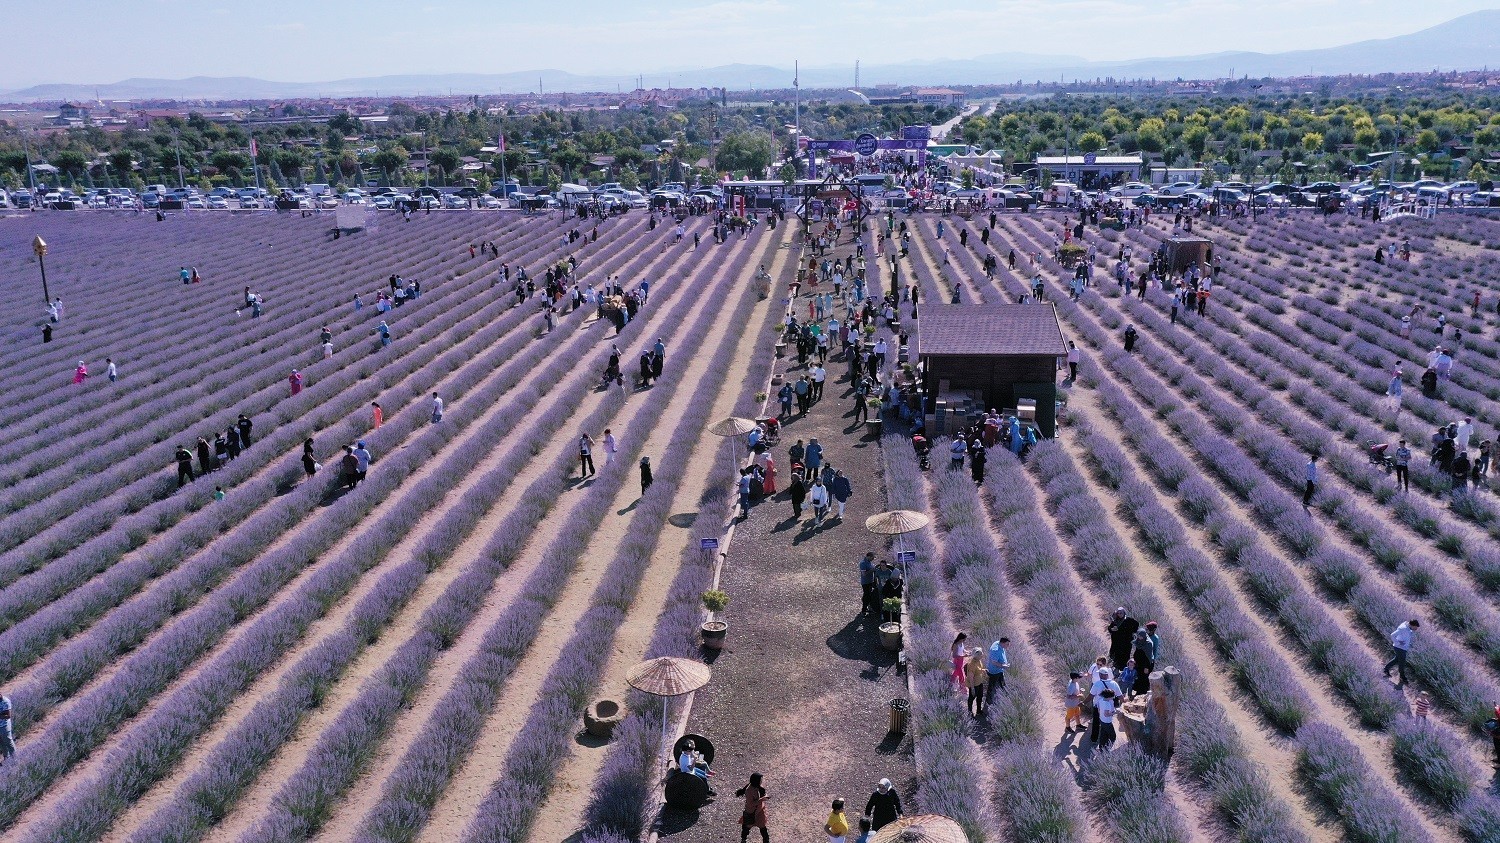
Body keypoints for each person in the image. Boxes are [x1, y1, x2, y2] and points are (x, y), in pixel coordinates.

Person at [1383, 618, 1419, 684]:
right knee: (1402, 663)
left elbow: (1407, 633)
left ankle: (1385, 669)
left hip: (1403, 648)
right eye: (1415, 627)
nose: (1416, 629)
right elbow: (1392, 635)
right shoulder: (1403, 628)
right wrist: (1398, 643)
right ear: (1412, 625)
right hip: (1399, 648)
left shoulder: (1408, 627)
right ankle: (1402, 677)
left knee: (1396, 659)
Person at [736, 773, 770, 843]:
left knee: (763, 828)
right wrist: (762, 799)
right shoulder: (749, 791)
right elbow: (751, 804)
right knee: (747, 827)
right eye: (760, 780)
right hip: (751, 812)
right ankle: (743, 840)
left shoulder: (757, 786)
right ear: (756, 781)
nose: (762, 781)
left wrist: (764, 796)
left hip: (760, 811)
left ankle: (766, 841)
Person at [985, 638, 1010, 705]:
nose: (1008, 645)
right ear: (1003, 643)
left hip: (1000, 670)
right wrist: (1003, 666)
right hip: (994, 672)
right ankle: (988, 701)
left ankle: (1004, 697)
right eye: (1007, 644)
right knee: (991, 686)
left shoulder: (998, 643)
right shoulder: (995, 650)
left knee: (1002, 684)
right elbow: (994, 662)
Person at [965, 647, 988, 717]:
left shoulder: (978, 660)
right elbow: (971, 677)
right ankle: (969, 712)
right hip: (974, 684)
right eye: (981, 655)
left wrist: (983, 670)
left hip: (980, 682)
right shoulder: (971, 664)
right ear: (976, 655)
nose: (982, 656)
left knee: (980, 697)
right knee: (972, 698)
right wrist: (972, 688)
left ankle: (978, 711)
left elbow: (978, 669)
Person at [0, 690, 13, 767]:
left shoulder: (5, 701)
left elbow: (8, 716)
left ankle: (15, 758)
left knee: (8, 741)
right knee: (1, 743)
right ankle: (6, 757)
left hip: (4, 725)